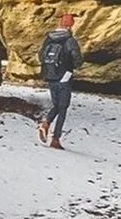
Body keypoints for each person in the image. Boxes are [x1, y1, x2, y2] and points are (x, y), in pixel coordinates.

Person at [37, 12, 83, 150]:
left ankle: (46, 124)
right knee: (63, 107)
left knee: (56, 104)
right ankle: (55, 139)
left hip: (50, 76)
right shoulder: (70, 40)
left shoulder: (49, 39)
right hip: (64, 77)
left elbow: (40, 57)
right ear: (70, 26)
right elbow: (77, 61)